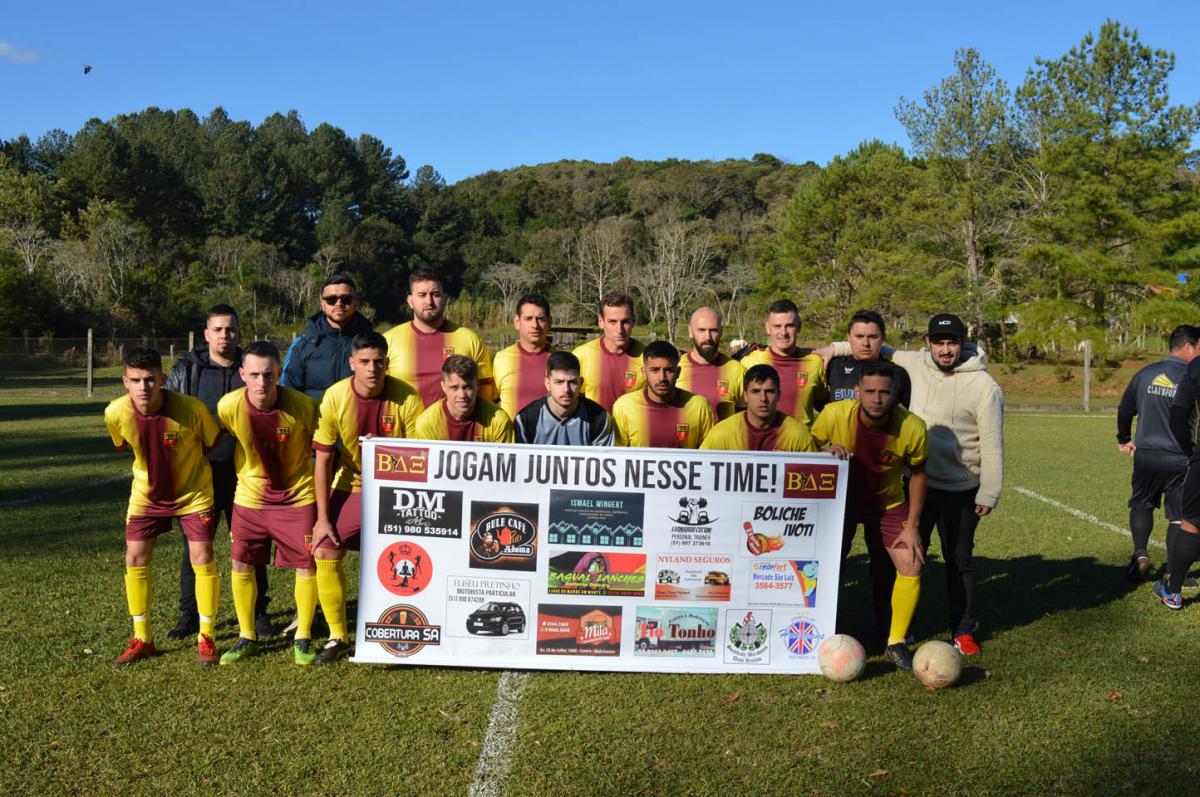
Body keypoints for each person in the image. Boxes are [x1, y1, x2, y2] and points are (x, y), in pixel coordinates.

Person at [819, 313, 1003, 656]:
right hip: (910, 483)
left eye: (952, 342)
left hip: (959, 486)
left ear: (963, 343)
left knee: (957, 559)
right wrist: (833, 347)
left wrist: (989, 489)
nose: (945, 350)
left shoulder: (984, 386)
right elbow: (874, 346)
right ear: (929, 343)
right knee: (898, 556)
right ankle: (890, 627)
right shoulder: (914, 363)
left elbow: (992, 442)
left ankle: (960, 630)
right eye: (939, 342)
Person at [311, 332, 424, 663]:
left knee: (410, 556)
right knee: (324, 547)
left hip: (399, 489)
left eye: (378, 362)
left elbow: (422, 456)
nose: (372, 369)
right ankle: (337, 636)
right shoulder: (334, 397)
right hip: (352, 485)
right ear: (352, 364)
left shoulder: (407, 397)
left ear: (387, 363)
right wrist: (322, 518)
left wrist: (388, 453)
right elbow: (323, 461)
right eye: (364, 362)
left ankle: (404, 624)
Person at [104, 347, 222, 665]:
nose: (144, 387)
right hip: (146, 496)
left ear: (163, 378)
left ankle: (207, 637)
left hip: (194, 494)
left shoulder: (191, 408)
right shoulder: (115, 412)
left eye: (150, 379)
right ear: (125, 381)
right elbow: (123, 445)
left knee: (203, 557)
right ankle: (142, 637)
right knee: (135, 557)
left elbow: (211, 442)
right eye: (137, 380)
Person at [164, 304, 274, 641]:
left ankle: (258, 613)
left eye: (231, 330)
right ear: (206, 334)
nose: (225, 336)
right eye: (218, 330)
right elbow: (171, 418)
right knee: (196, 546)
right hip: (200, 474)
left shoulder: (251, 367)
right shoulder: (186, 370)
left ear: (239, 333)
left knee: (251, 545)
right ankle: (190, 615)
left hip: (245, 473)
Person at [811, 362, 928, 670]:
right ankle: (819, 629)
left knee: (912, 562)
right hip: (841, 504)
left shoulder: (912, 427)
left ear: (895, 394)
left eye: (885, 393)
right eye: (871, 392)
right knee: (826, 564)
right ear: (857, 392)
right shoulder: (834, 415)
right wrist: (824, 450)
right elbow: (808, 448)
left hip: (887, 504)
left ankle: (896, 641)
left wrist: (913, 526)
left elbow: (918, 474)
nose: (877, 399)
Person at [216, 341, 323, 666]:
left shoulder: (303, 406)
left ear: (279, 372)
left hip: (297, 498)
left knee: (307, 564)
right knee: (241, 563)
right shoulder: (228, 407)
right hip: (250, 499)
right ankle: (247, 636)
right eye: (254, 375)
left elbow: (321, 449)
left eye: (268, 374)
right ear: (242, 375)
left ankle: (303, 636)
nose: (262, 383)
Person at [1118, 325, 1200, 582]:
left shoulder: (1145, 373)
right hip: (1179, 455)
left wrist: (1124, 439)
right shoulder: (1192, 375)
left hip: (1146, 454)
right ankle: (1171, 572)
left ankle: (1141, 554)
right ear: (1188, 346)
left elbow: (1124, 410)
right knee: (1178, 517)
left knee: (1142, 502)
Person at [383, 269, 496, 407]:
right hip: (405, 428)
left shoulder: (470, 340)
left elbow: (485, 397)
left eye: (435, 294)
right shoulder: (388, 341)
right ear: (410, 301)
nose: (429, 301)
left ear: (445, 298)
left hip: (453, 428)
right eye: (422, 295)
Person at [282, 274, 375, 401]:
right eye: (331, 299)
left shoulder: (373, 342)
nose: (339, 303)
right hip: (314, 420)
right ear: (323, 304)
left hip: (358, 419)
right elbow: (288, 392)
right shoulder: (302, 344)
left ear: (356, 304)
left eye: (346, 299)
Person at [1156, 348, 1200, 609]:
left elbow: (1177, 415)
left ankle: (1172, 591)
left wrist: (1190, 450)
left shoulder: (1196, 366)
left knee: (1192, 523)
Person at [611, 340, 715, 448]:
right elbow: (618, 457)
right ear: (644, 373)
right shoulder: (625, 407)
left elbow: (709, 456)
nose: (662, 378)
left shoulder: (699, 406)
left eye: (669, 370)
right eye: (655, 370)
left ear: (678, 372)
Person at [739, 299, 828, 424]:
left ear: (799, 327)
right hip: (762, 442)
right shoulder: (749, 362)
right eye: (777, 326)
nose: (784, 333)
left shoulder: (815, 362)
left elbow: (825, 407)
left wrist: (839, 348)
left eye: (790, 326)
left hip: (800, 442)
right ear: (768, 328)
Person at [701, 364, 815, 452]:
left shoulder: (798, 434)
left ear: (779, 395)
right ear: (745, 396)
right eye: (755, 391)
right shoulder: (721, 434)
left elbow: (813, 475)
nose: (763, 398)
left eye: (769, 391)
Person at [514, 351, 614, 446]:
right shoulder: (526, 420)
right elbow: (522, 461)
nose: (566, 389)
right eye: (559, 382)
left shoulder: (599, 418)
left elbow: (601, 461)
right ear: (547, 383)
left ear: (581, 383)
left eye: (572, 382)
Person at [413, 355, 515, 442]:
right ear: (443, 387)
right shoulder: (427, 424)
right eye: (454, 387)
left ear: (477, 385)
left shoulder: (498, 421)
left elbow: (504, 463)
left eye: (467, 387)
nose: (462, 395)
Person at [573, 292, 646, 412]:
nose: (619, 330)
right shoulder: (581, 355)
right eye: (612, 322)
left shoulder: (647, 357)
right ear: (601, 322)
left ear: (634, 320)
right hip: (594, 430)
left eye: (625, 322)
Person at [824, 310, 910, 407]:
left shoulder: (897, 373)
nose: (866, 343)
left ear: (883, 338)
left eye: (872, 337)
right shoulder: (833, 366)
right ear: (849, 337)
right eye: (859, 336)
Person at [676, 306, 745, 420]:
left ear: (721, 331)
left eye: (713, 330)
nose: (708, 337)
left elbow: (743, 421)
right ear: (690, 331)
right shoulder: (675, 367)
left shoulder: (737, 370)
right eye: (701, 330)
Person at [493, 293, 556, 418]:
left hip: (551, 437)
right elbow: (491, 402)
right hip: (512, 436)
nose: (535, 325)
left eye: (540, 319)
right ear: (517, 322)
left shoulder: (559, 360)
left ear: (549, 322)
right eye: (528, 318)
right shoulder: (501, 359)